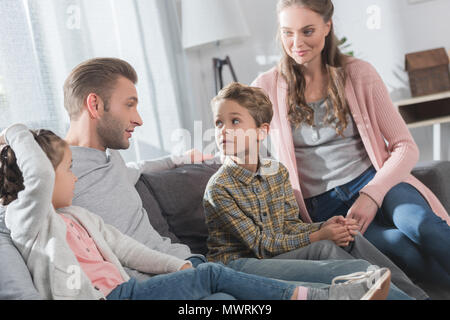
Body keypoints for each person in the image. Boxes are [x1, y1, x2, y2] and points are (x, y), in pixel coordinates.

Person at [62, 57, 414, 300]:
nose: (139, 119)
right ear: (95, 105)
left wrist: (184, 158)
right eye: (130, 105)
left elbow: (149, 165)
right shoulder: (55, 174)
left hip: (192, 265)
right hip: (181, 277)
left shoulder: (116, 161)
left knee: (353, 269)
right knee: (331, 273)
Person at [0, 123, 395, 300]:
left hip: (127, 290)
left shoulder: (79, 218)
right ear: (43, 181)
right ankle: (326, 299)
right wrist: (15, 132)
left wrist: (178, 268)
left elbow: (130, 251)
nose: (74, 179)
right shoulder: (30, 222)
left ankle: (342, 293)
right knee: (212, 277)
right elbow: (35, 173)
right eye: (67, 171)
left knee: (206, 276)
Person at [250, 0, 450, 290]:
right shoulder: (266, 86)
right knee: (399, 247)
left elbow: (405, 146)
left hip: (376, 181)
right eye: (287, 32)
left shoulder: (358, 74)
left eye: (307, 31)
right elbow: (235, 132)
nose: (297, 43)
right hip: (324, 205)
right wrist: (192, 156)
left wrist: (372, 194)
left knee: (421, 225)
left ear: (327, 26)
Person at [203, 82, 427, 301]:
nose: (224, 130)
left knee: (350, 236)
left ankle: (419, 297)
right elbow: (261, 245)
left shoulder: (276, 172)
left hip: (273, 253)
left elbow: (288, 225)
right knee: (327, 250)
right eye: (218, 123)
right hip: (240, 263)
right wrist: (318, 236)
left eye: (234, 121)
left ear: (262, 132)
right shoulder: (219, 187)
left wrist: (327, 226)